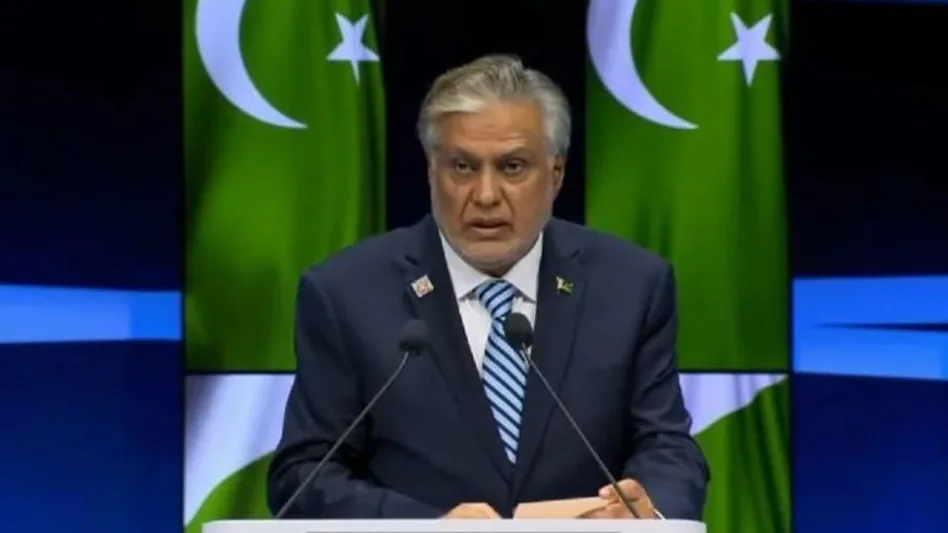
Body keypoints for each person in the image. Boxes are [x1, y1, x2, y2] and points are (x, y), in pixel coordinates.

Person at [267, 54, 709, 520]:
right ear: (431, 171)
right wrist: (428, 527)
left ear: (556, 174)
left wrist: (647, 511)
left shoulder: (631, 286)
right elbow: (304, 475)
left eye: (512, 167)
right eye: (462, 167)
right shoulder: (346, 294)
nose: (485, 195)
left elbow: (668, 448)